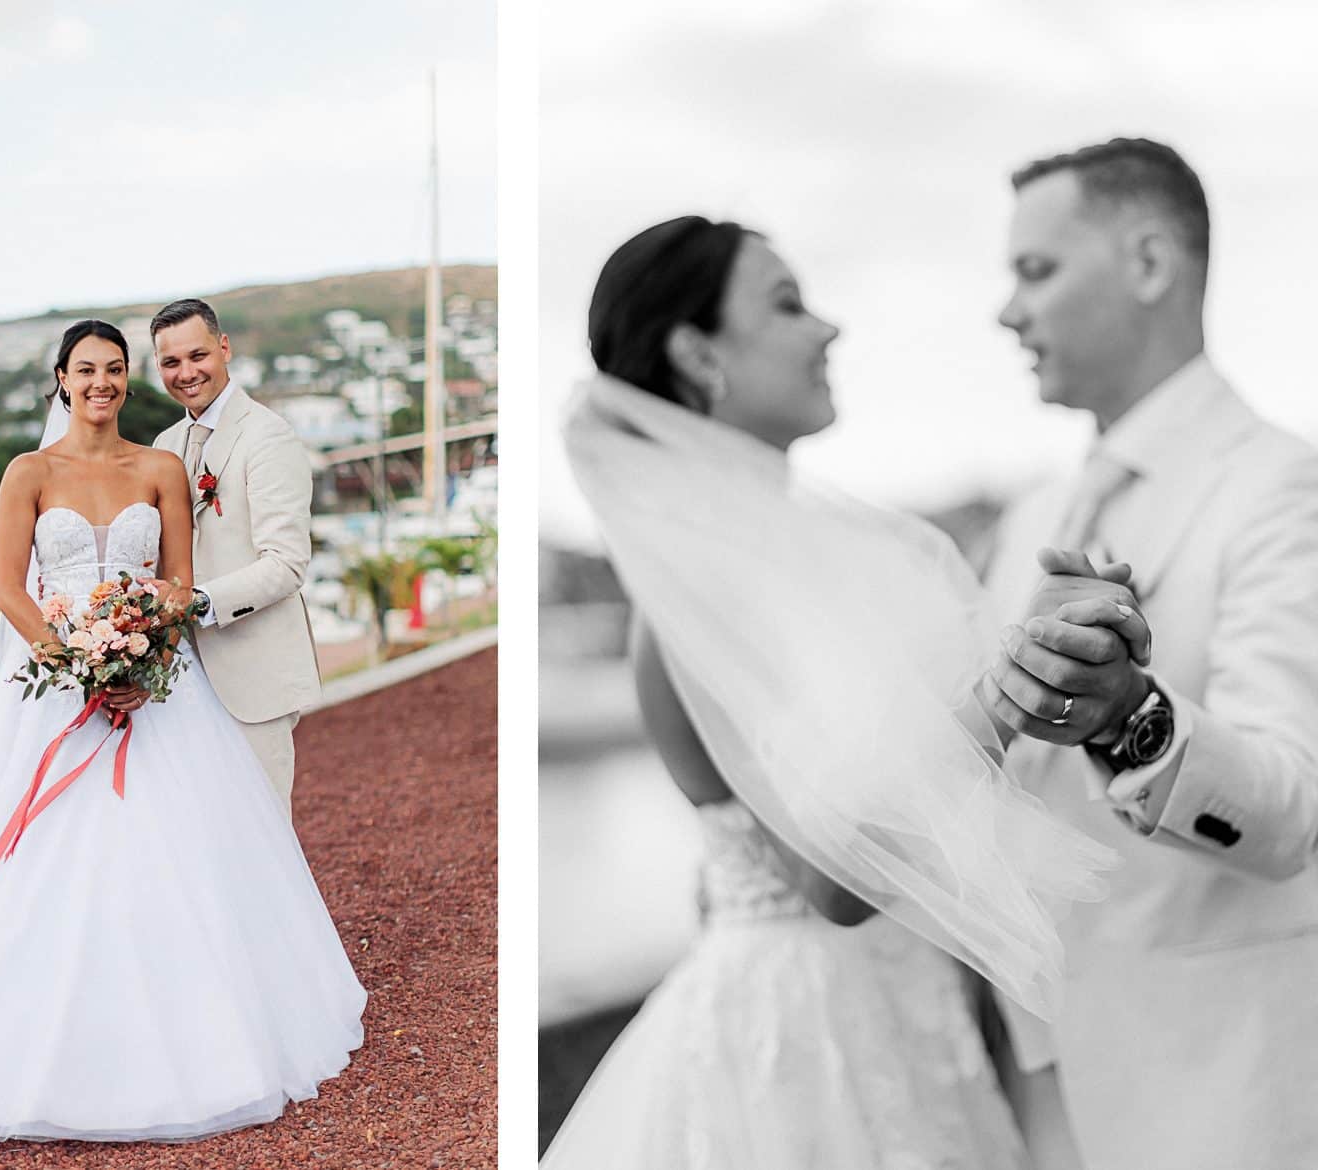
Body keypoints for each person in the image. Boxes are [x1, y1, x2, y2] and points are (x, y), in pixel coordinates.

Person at [546, 217, 1128, 1168]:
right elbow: (834, 877)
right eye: (786, 304)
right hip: (805, 1050)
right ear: (698, 353)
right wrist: (1008, 688)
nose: (828, 330)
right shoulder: (700, 590)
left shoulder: (804, 566)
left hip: (907, 1017)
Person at [0, 319, 365, 1143]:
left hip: (161, 694)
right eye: (86, 370)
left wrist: (139, 667)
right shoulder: (27, 472)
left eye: (115, 369)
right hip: (54, 696)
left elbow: (177, 582)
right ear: (61, 379)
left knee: (179, 856)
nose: (101, 382)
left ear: (126, 379)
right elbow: (10, 588)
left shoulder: (163, 467)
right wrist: (75, 666)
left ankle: (200, 1029)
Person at [983, 138, 1318, 1170]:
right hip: (1036, 1088)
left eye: (1034, 271)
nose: (1006, 311)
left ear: (1146, 264)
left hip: (1215, 1090)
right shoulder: (1029, 517)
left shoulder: (1282, 488)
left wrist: (1128, 713)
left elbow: (1293, 805)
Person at [109, 299, 320, 822]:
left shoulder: (268, 437)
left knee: (261, 830)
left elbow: (287, 563)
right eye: (170, 362)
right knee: (196, 830)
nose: (186, 373)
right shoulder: (165, 444)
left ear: (224, 348)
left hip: (253, 674)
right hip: (179, 680)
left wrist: (196, 602)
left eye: (197, 355)